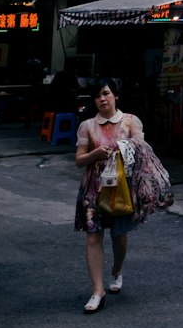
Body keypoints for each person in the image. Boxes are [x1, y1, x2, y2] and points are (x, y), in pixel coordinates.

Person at [74, 77, 173, 314]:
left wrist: (124, 146)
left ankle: (117, 269)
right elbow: (79, 160)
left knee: (119, 236)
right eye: (98, 95)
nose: (102, 99)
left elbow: (142, 147)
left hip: (122, 189)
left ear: (116, 96)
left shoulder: (130, 121)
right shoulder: (87, 126)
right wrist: (95, 154)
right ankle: (98, 291)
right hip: (93, 189)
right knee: (93, 237)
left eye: (106, 93)